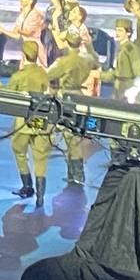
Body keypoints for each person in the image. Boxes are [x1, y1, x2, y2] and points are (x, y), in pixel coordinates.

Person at [0, 40, 51, 206]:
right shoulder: (43, 73)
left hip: (23, 122)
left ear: (23, 55)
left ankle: (27, 186)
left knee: (19, 151)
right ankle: (40, 197)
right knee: (40, 159)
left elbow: (6, 93)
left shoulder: (20, 76)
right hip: (41, 120)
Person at [45, 27, 97, 185]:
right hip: (80, 97)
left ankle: (77, 175)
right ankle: (73, 173)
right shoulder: (87, 59)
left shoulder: (63, 61)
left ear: (67, 42)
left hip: (66, 99)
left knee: (71, 138)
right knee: (74, 137)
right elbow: (96, 63)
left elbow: (47, 75)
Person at [0, 0, 46, 65]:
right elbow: (16, 35)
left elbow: (28, 33)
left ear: (30, 1)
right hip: (26, 49)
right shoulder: (21, 16)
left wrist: (16, 30)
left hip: (35, 48)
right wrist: (2, 30)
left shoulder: (35, 14)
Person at [101, 18, 140, 104]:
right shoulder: (122, 48)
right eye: (116, 30)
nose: (117, 33)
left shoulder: (131, 49)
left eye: (120, 30)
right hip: (119, 90)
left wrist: (133, 91)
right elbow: (118, 72)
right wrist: (100, 75)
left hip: (129, 91)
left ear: (128, 33)